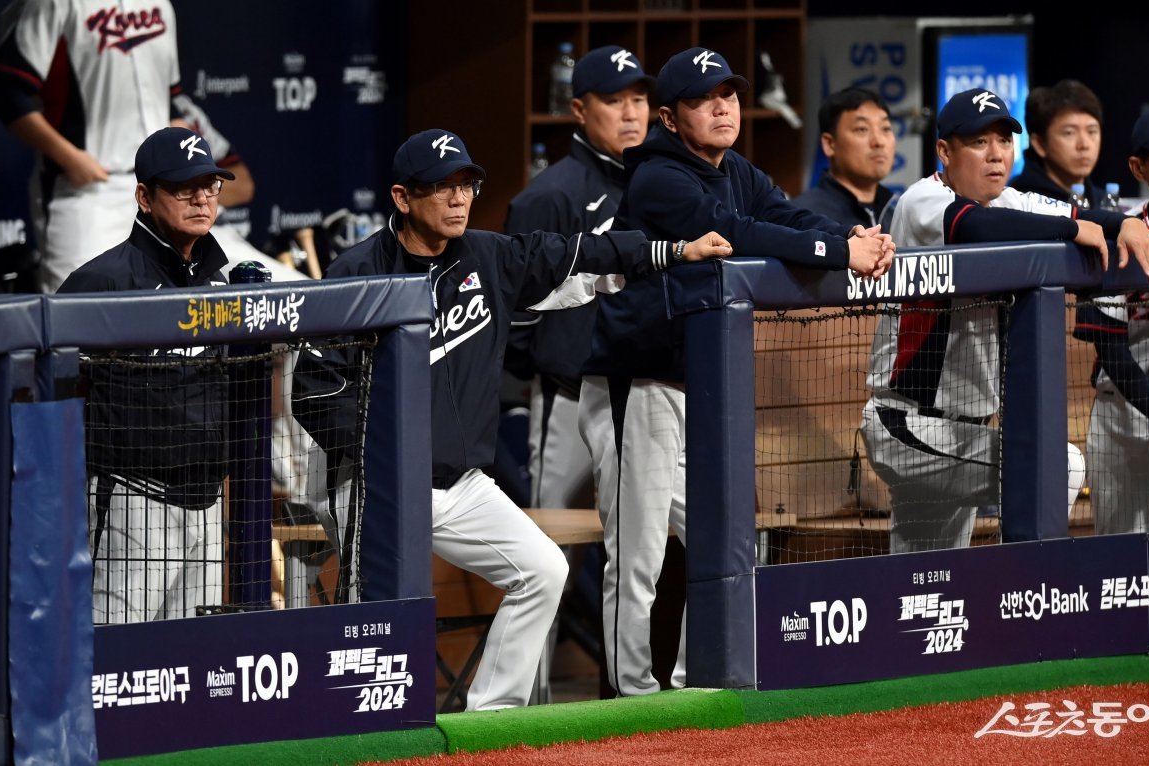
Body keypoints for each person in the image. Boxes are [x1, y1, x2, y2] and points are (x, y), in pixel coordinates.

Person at [292, 128, 731, 711]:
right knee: (378, 618)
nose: (459, 199)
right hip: (374, 487)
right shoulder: (357, 272)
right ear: (402, 198)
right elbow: (313, 391)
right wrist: (389, 451)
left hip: (460, 484)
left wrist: (672, 251)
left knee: (543, 570)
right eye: (442, 188)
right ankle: (349, 727)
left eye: (467, 185)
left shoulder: (487, 255)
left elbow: (582, 252)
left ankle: (490, 717)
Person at [580, 47, 893, 697]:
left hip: (699, 388)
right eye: (703, 99)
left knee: (729, 540)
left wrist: (854, 238)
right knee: (637, 557)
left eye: (729, 94)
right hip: (636, 385)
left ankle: (701, 680)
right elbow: (737, 233)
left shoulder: (736, 168)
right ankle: (630, 697)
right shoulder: (658, 179)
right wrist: (841, 249)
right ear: (669, 118)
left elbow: (788, 218)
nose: (723, 107)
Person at [860, 88, 1149, 554]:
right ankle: (1019, 590)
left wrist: (1124, 223)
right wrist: (1070, 228)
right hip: (908, 425)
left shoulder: (1013, 201)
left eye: (1004, 141)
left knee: (924, 583)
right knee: (1056, 467)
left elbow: (1087, 216)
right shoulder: (921, 200)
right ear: (945, 151)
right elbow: (976, 227)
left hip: (965, 430)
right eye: (979, 142)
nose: (996, 154)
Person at [57, 126, 236, 623]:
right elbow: (51, 388)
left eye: (210, 186)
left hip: (205, 500)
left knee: (193, 661)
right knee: (114, 647)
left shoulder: (217, 278)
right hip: (133, 499)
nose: (201, 199)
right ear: (144, 197)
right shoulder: (103, 281)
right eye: (184, 188)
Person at [505, 45, 653, 510]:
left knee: (643, 544)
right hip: (570, 396)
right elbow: (515, 308)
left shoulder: (662, 185)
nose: (630, 114)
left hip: (651, 394)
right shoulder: (548, 197)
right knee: (555, 547)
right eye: (613, 101)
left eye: (639, 99)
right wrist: (551, 364)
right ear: (579, 109)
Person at [0, 0, 181, 292]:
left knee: (171, 316)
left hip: (157, 188)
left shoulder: (160, 5)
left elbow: (169, 98)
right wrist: (69, 159)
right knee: (76, 315)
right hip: (87, 194)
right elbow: (7, 90)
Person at [1075, 102, 1149, 534]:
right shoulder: (1119, 235)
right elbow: (1108, 345)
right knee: (1120, 562)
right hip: (1121, 411)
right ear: (1138, 167)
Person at [793, 86, 897, 230]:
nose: (878, 142)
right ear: (829, 144)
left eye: (885, 128)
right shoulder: (802, 218)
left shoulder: (897, 218)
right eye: (862, 129)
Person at [1010, 80, 1105, 204]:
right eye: (1069, 133)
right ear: (1039, 144)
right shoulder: (1018, 202)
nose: (1084, 145)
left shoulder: (1104, 201)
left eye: (1092, 131)